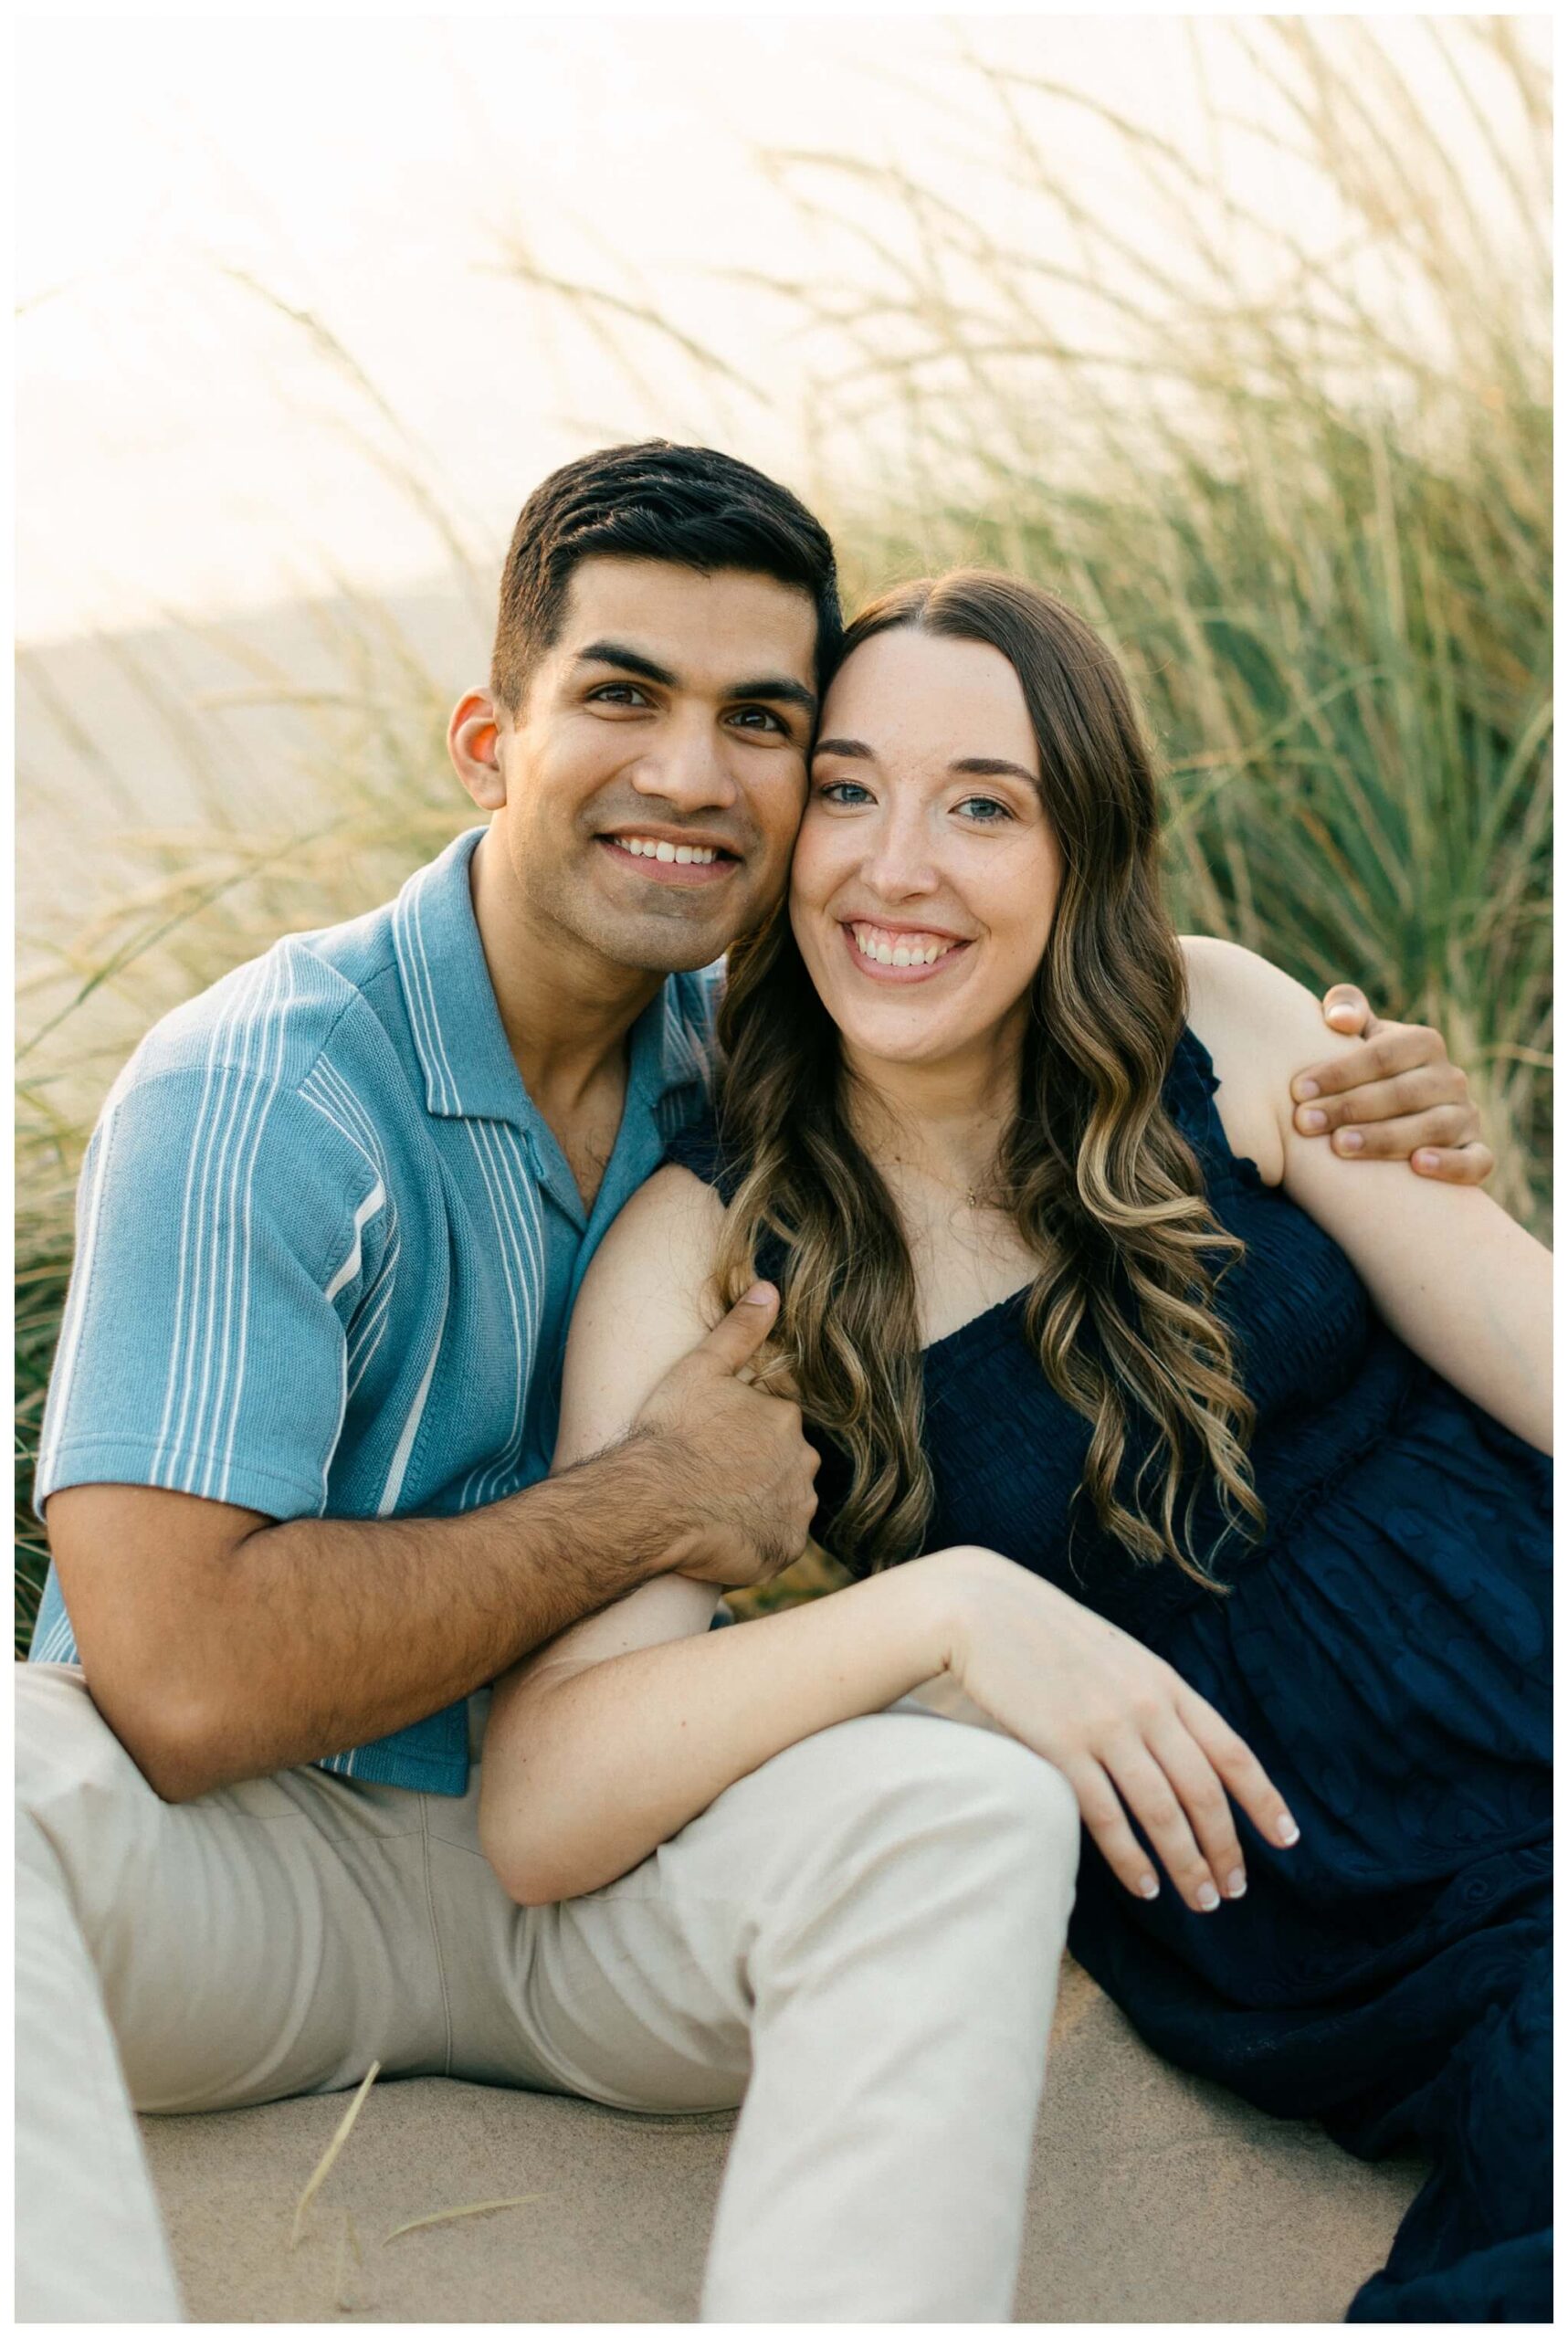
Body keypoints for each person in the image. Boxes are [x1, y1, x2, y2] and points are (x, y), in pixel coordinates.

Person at [17, 443, 1495, 2325]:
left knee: (964, 1812)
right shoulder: (272, 1094)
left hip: (613, 1908)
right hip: (250, 1874)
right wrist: (678, 1509)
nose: (693, 774)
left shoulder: (773, 1043)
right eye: (624, 696)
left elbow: (1025, 1032)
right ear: (489, 738)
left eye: (763, 722)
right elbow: (178, 1677)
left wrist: (1398, 1122)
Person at [475, 567, 1552, 2323]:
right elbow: (547, 1800)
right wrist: (945, 1611)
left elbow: (1531, 1345)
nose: (898, 866)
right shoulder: (714, 1248)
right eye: (846, 790)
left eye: (984, 805)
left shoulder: (1219, 1022)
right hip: (1363, 1900)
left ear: (1081, 854)